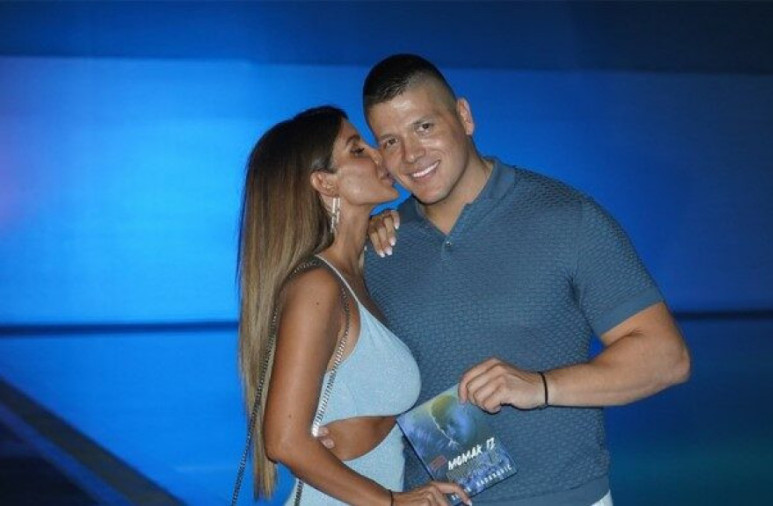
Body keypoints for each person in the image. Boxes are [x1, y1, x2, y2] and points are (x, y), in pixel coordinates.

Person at [356, 54, 692, 505]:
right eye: (390, 141)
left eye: (424, 127)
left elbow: (667, 357)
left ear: (464, 116)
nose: (411, 155)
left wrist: (541, 386)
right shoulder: (380, 250)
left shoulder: (566, 218)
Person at [236, 105, 469, 505]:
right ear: (325, 182)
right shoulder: (317, 287)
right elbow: (284, 440)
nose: (380, 154)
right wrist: (392, 502)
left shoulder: (359, 273)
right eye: (358, 150)